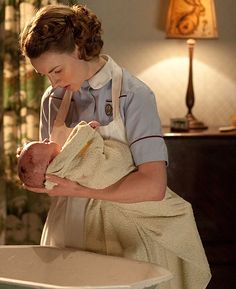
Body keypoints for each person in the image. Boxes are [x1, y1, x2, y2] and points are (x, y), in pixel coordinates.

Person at [19, 3, 211, 289]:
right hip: (66, 230)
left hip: (122, 232)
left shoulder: (134, 95)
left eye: (57, 70)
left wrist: (80, 190)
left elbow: (153, 187)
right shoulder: (52, 99)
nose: (54, 83)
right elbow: (54, 171)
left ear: (78, 49)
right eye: (46, 75)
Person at [17, 121, 135, 189]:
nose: (46, 139)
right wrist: (87, 130)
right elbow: (80, 145)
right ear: (49, 162)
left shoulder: (58, 177)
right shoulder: (63, 163)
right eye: (44, 144)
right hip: (108, 170)